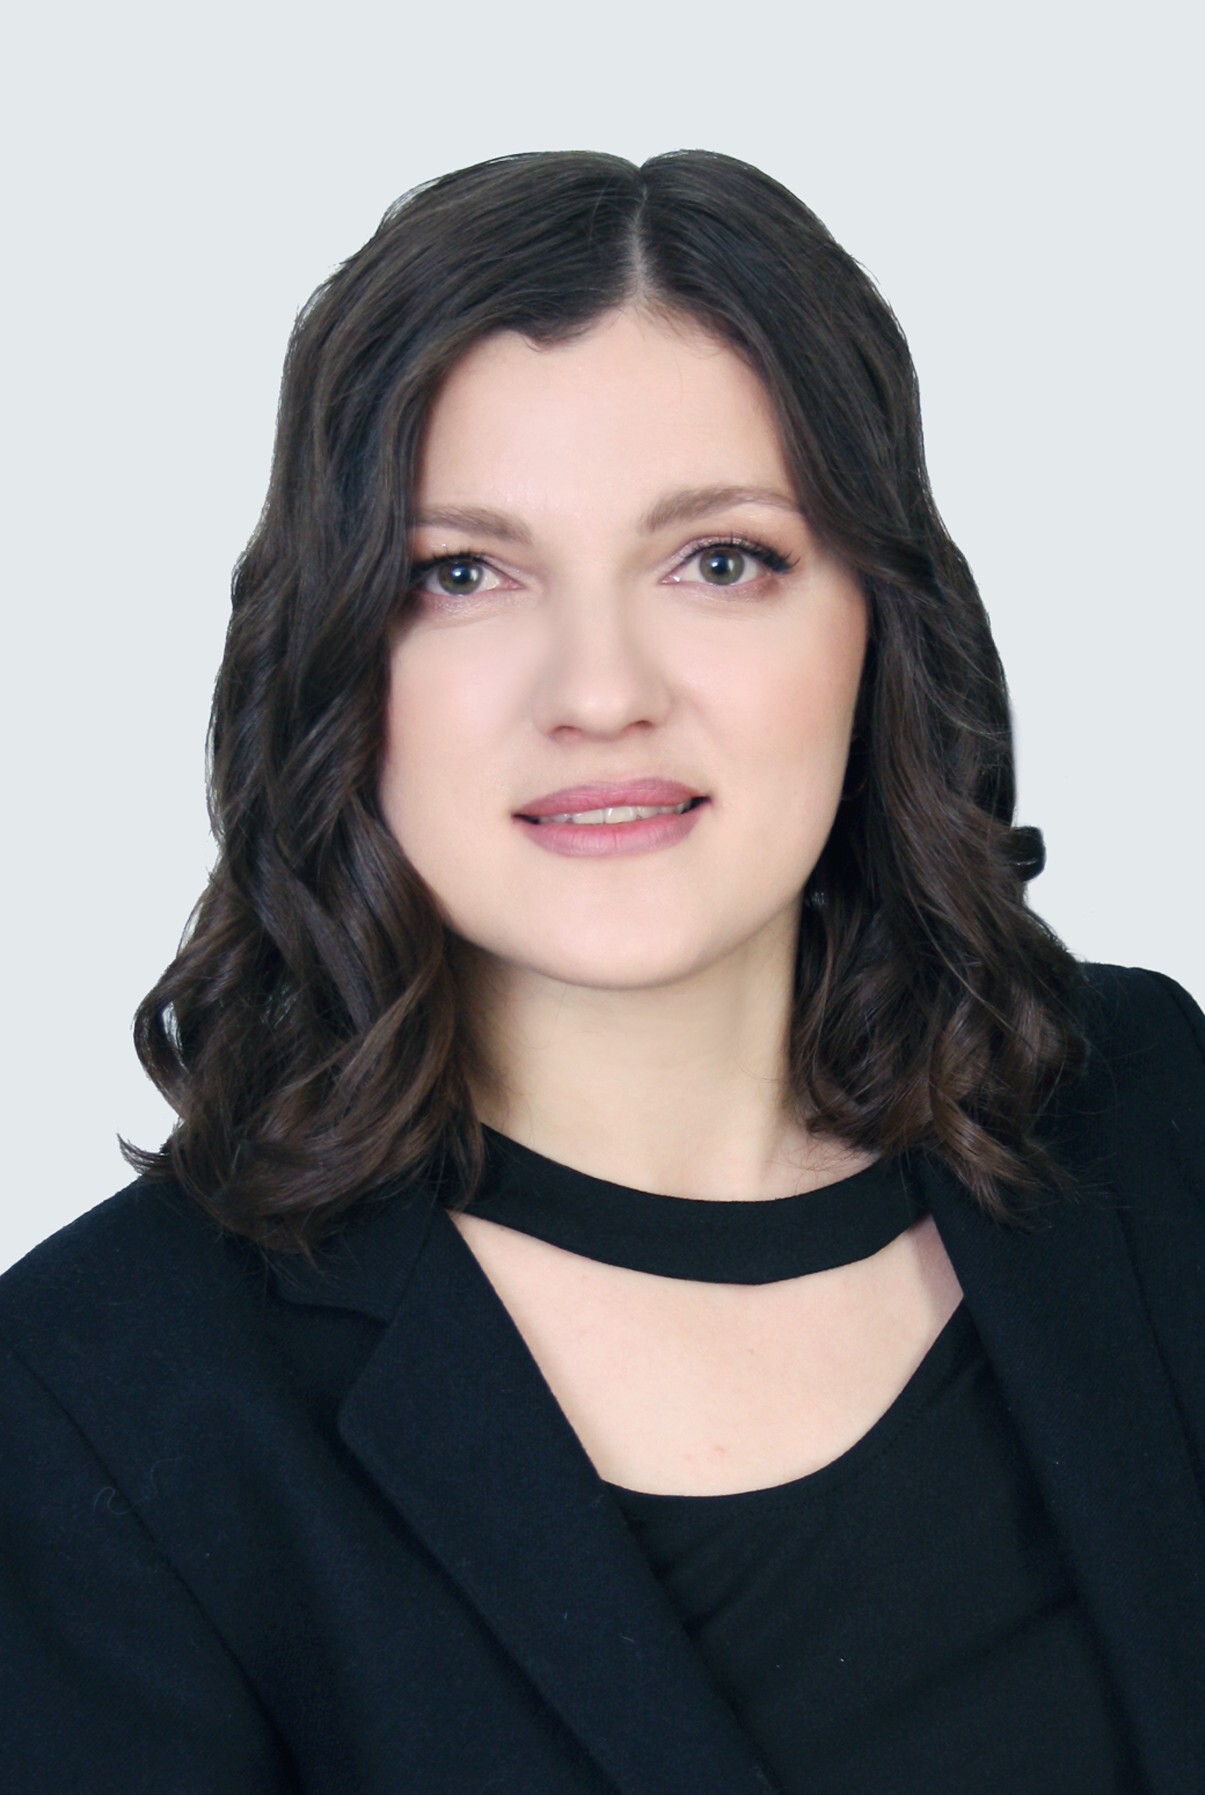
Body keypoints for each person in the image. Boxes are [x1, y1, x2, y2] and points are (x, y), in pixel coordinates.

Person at [1, 148, 1202, 1795]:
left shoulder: (1150, 1114)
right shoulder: (101, 1399)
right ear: (336, 654)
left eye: (718, 559)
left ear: (878, 621)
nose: (598, 691)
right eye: (461, 574)